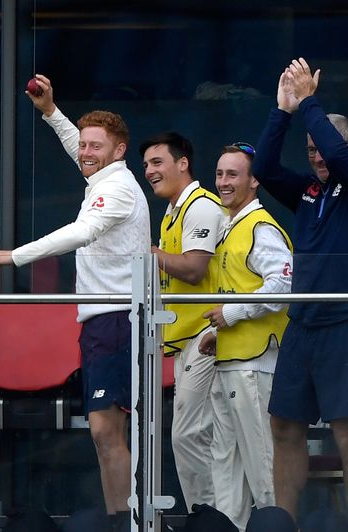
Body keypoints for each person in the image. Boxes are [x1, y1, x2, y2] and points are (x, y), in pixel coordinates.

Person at [0, 74, 151, 520]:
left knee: (106, 428)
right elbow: (80, 144)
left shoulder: (116, 189)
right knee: (105, 432)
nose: (86, 152)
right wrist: (51, 112)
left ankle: (125, 521)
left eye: (97, 146)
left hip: (117, 319)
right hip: (104, 320)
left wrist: (14, 256)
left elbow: (82, 232)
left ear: (119, 152)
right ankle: (123, 516)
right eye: (85, 145)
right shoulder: (104, 175)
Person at [253, 58, 348, 532]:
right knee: (285, 426)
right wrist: (283, 111)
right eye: (309, 149)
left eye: (323, 149)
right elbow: (265, 168)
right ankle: (284, 525)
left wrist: (311, 100)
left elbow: (339, 156)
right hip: (304, 323)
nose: (315, 156)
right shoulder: (309, 192)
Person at [197, 142, 292, 531]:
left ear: (254, 181)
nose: (223, 182)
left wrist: (230, 314)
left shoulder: (261, 226)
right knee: (226, 472)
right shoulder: (231, 226)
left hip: (256, 365)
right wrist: (219, 331)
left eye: (232, 174)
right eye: (219, 174)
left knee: (264, 469)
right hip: (232, 360)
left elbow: (284, 286)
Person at [139, 131, 224, 511]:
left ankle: (208, 518)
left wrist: (150, 253)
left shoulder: (201, 206)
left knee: (190, 435)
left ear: (183, 163)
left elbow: (193, 269)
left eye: (157, 163)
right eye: (146, 166)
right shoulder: (173, 212)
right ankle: (212, 516)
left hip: (208, 335)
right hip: (187, 339)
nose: (149, 172)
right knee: (200, 436)